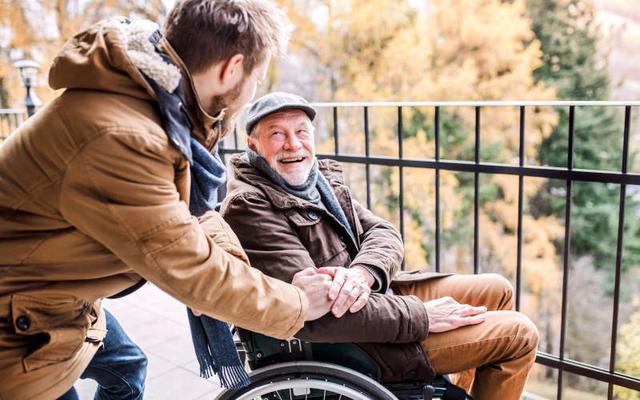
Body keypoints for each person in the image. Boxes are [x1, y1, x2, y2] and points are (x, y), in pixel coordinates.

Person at [0, 3, 335, 399]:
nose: (250, 92)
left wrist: (235, 265)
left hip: (58, 296)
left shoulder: (157, 97)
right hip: (21, 327)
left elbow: (192, 212)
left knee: (128, 369)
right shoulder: (123, 137)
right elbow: (192, 270)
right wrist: (297, 304)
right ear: (232, 69)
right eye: (256, 78)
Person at [220, 91, 541, 400]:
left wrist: (361, 274)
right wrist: (422, 316)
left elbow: (383, 232)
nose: (293, 144)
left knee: (497, 290)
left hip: (373, 299)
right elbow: (311, 316)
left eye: (301, 131)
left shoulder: (316, 181)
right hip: (355, 341)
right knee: (519, 335)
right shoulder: (250, 205)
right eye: (277, 134)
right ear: (253, 144)